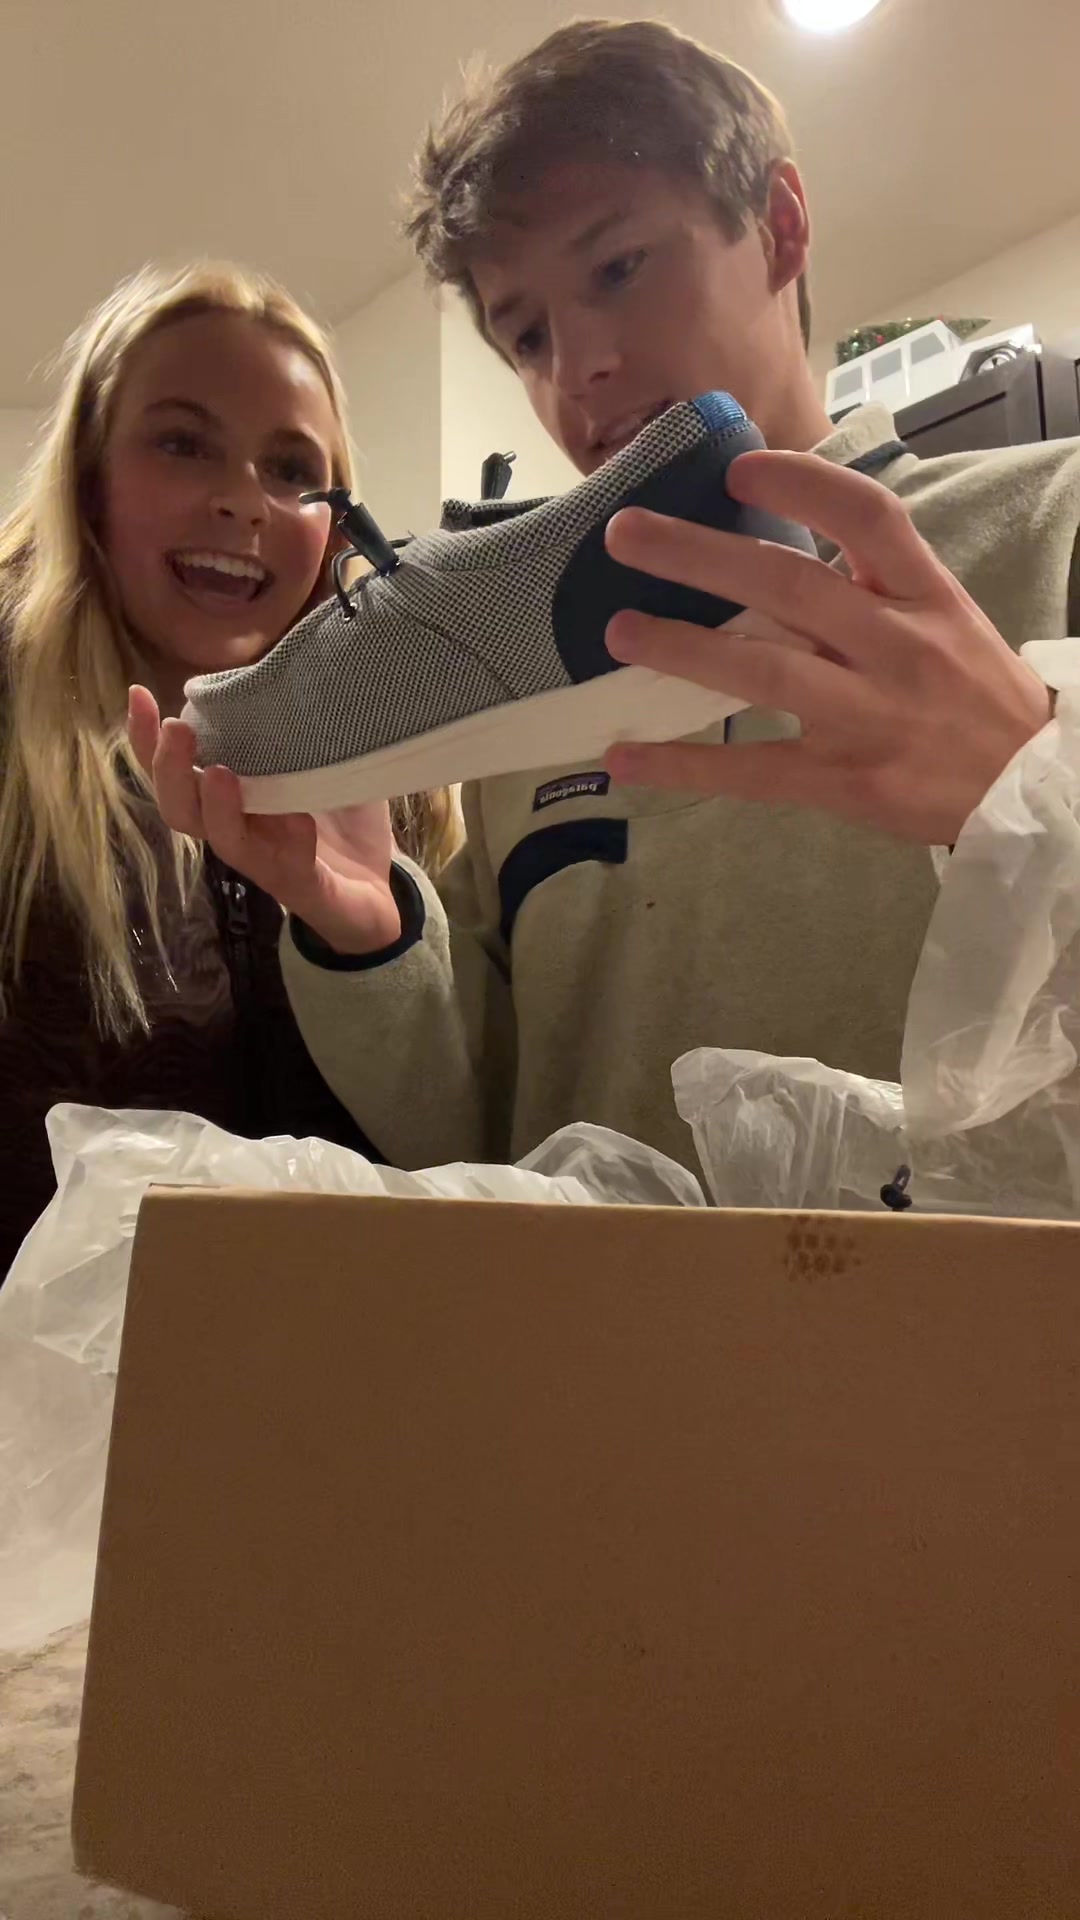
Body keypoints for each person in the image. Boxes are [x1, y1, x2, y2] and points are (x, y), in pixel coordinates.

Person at [133, 23, 1080, 1177]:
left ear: (779, 228)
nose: (575, 366)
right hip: (591, 1299)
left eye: (620, 267)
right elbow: (480, 1138)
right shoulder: (523, 686)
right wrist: (369, 936)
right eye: (526, 333)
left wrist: (1035, 793)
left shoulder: (1056, 519)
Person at [0, 262, 459, 1277]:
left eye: (292, 469)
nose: (243, 502)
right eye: (182, 443)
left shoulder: (399, 774)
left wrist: (373, 947)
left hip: (340, 1352)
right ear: (89, 476)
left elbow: (453, 1142)